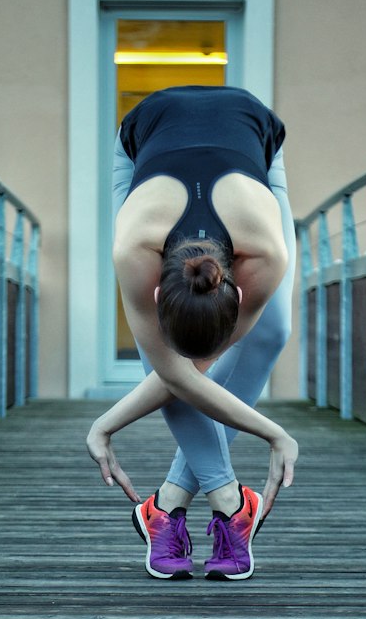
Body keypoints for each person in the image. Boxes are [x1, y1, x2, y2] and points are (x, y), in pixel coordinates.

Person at [85, 84, 299, 580]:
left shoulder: (266, 254)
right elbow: (175, 373)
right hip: (147, 134)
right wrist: (273, 434)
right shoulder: (133, 248)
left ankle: (167, 504)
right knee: (172, 362)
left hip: (253, 137)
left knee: (272, 331)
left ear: (239, 294)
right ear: (157, 295)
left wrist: (107, 424)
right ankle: (229, 506)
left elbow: (185, 375)